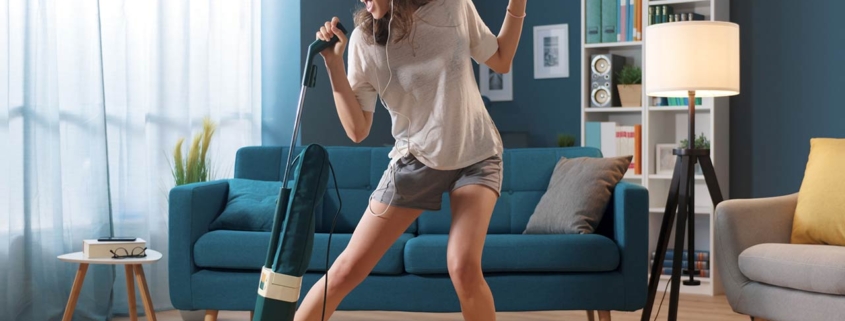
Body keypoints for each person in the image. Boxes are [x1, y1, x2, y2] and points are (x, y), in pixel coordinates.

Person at [296, 0, 526, 320]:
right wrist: (334, 64)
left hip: (476, 154)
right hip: (415, 161)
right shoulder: (365, 38)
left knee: (462, 266)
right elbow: (357, 129)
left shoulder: (453, 6)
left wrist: (518, 4)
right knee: (346, 270)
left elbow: (501, 60)